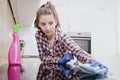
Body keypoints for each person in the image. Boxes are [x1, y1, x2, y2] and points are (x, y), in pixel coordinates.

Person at [34, 1, 108, 71]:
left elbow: (77, 50)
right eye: (43, 24)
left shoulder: (62, 36)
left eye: (50, 23)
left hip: (65, 70)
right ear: (38, 24)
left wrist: (91, 60)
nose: (47, 28)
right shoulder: (39, 35)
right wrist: (59, 60)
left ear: (56, 22)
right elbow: (43, 58)